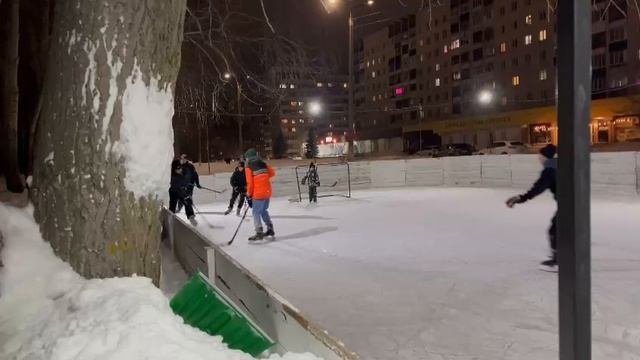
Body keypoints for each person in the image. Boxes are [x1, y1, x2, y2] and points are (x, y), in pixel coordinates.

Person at [506, 144, 557, 272]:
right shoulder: (558, 165)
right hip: (573, 201)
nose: (538, 158)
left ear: (544, 156)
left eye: (539, 156)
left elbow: (538, 188)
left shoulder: (550, 170)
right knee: (559, 229)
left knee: (554, 231)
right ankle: (562, 256)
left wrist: (522, 198)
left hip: (568, 203)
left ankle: (558, 262)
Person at [244, 148, 276, 241]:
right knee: (263, 210)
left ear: (248, 158)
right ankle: (270, 228)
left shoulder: (248, 166)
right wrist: (263, 178)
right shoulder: (263, 163)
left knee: (256, 212)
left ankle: (259, 232)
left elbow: (250, 182)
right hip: (267, 191)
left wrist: (249, 193)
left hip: (258, 193)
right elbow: (272, 173)